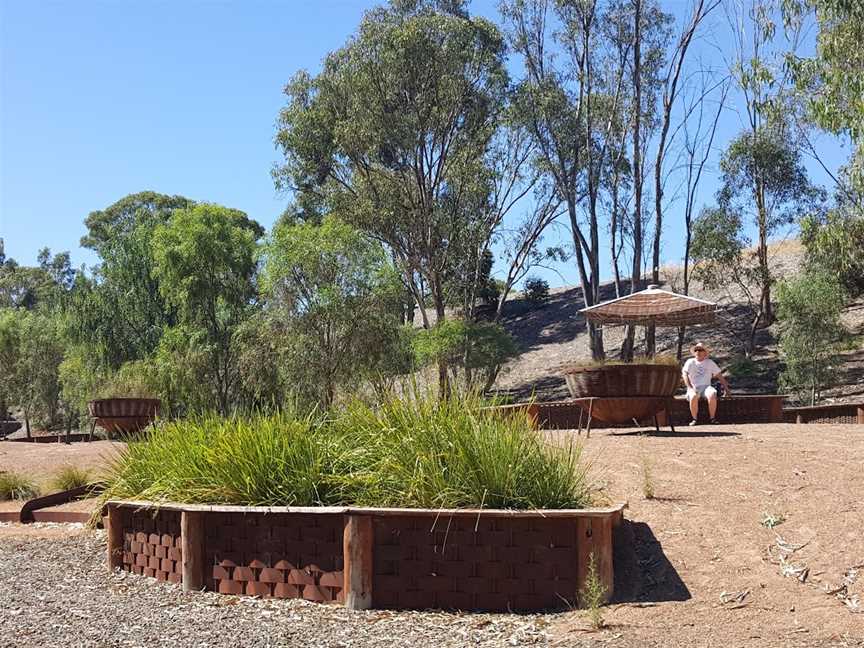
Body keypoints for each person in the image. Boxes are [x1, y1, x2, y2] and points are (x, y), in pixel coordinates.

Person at [681, 342, 730, 425]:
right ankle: (694, 419)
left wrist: (727, 389)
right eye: (696, 350)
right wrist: (689, 387)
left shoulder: (710, 362)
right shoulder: (690, 362)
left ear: (705, 352)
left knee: (712, 393)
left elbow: (720, 376)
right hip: (694, 387)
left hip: (706, 387)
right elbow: (685, 375)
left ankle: (712, 418)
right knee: (693, 396)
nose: (698, 352)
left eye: (700, 350)